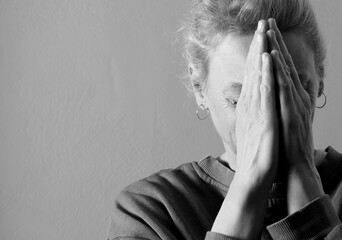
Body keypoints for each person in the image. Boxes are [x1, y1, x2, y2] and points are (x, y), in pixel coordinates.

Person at [107, 0, 342, 239]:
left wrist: (303, 174)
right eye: (241, 101)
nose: (269, 117)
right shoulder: (151, 210)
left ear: (320, 79)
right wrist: (249, 182)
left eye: (292, 92)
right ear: (199, 88)